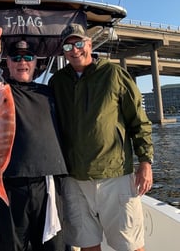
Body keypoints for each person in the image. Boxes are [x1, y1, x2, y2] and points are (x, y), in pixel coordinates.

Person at [48, 23, 154, 251]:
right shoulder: (57, 82)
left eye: (79, 43)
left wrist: (145, 161)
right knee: (87, 244)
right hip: (74, 179)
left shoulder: (114, 74)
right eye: (68, 46)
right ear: (63, 51)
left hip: (114, 176)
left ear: (89, 43)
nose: (74, 50)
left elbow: (139, 121)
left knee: (130, 245)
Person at [0, 27, 68, 251]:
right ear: (7, 63)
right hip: (7, 183)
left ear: (36, 62)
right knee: (9, 245)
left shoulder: (49, 92)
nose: (22, 62)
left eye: (28, 57)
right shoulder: (3, 91)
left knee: (53, 246)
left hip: (47, 184)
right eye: (15, 58)